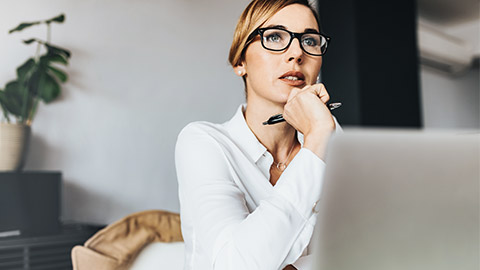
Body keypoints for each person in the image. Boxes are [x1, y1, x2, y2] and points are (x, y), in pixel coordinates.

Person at [175, 0, 341, 269]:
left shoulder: (334, 139)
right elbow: (235, 264)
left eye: (310, 41)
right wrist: (317, 139)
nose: (297, 53)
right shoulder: (204, 143)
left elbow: (374, 247)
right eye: (275, 36)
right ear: (240, 61)